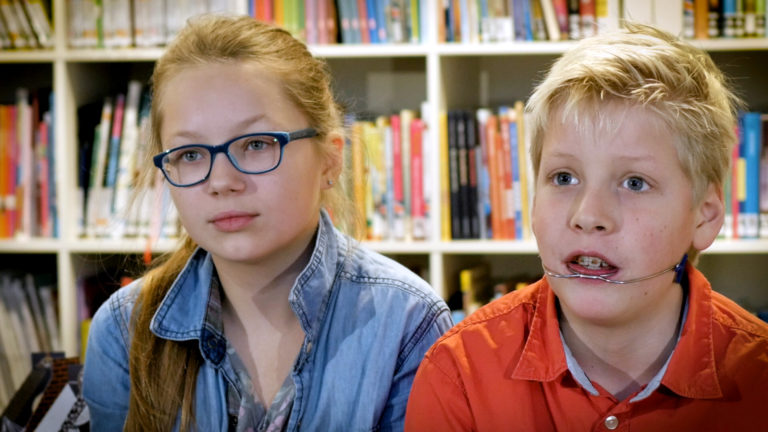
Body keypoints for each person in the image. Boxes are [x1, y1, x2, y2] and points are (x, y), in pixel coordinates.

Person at [82, 14, 452, 431]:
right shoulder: (122, 329)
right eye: (190, 155)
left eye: (257, 144)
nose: (222, 181)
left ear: (330, 160)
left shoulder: (405, 319)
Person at [405, 23, 768, 431]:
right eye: (564, 178)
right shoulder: (460, 374)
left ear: (704, 216)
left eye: (634, 183)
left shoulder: (760, 381)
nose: (588, 215)